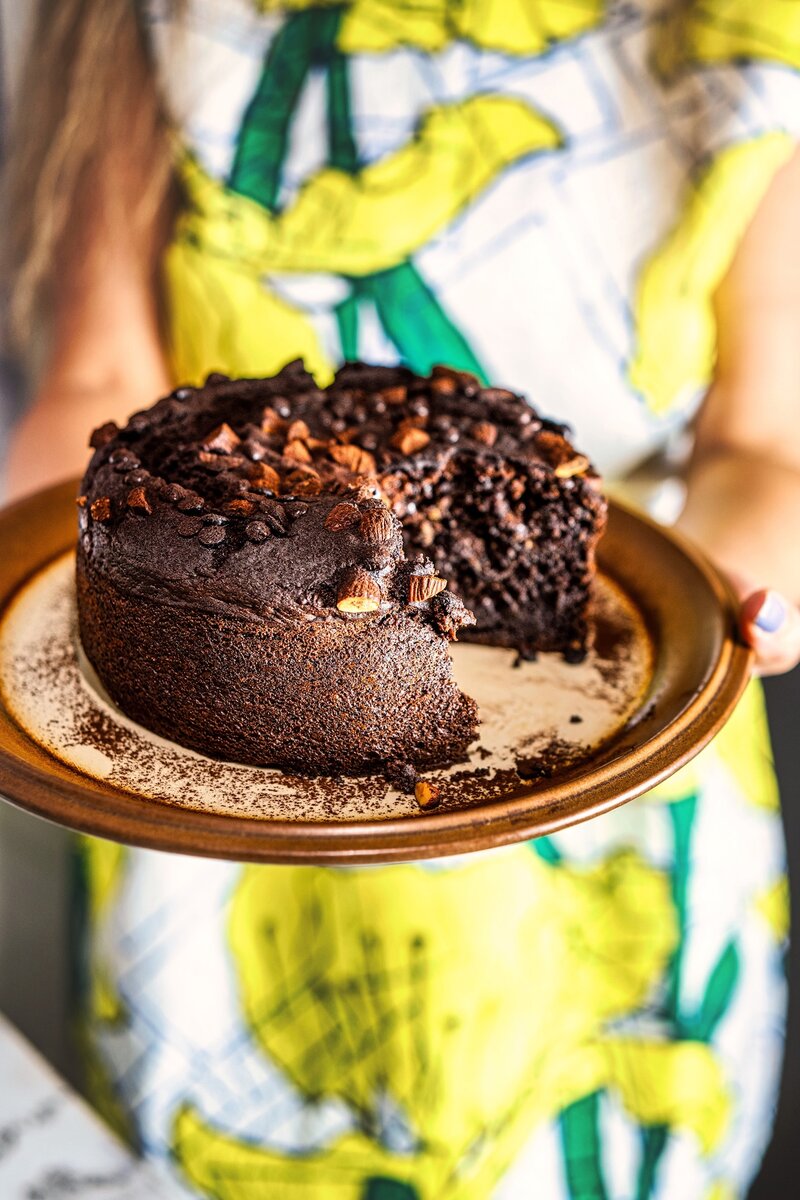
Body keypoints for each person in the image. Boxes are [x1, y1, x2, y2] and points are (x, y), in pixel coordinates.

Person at [5, 1, 800, 1196]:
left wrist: (721, 591)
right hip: (209, 849)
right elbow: (102, 386)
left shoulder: (740, 36)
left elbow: (764, 445)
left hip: (621, 831)